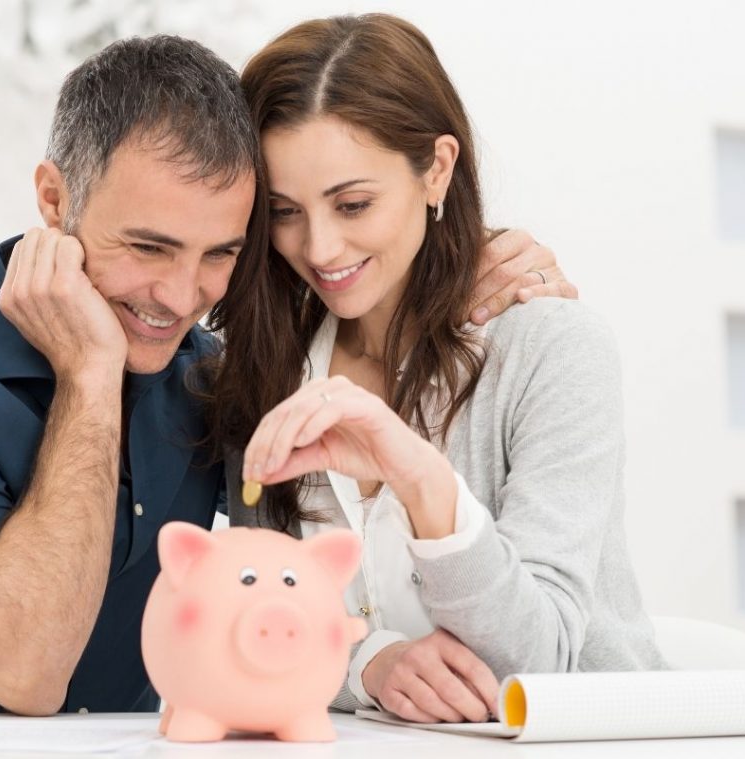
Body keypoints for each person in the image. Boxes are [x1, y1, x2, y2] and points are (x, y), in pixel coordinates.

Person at [0, 34, 567, 715]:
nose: (179, 297)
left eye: (222, 254)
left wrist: (470, 266)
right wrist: (90, 376)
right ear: (53, 199)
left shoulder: (211, 380)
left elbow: (273, 606)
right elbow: (24, 673)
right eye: (147, 247)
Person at [215, 14, 665, 725]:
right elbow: (245, 615)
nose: (320, 246)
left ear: (438, 168)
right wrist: (367, 661)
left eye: (353, 203)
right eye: (284, 212)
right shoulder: (265, 370)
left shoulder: (552, 348)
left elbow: (539, 662)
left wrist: (423, 481)